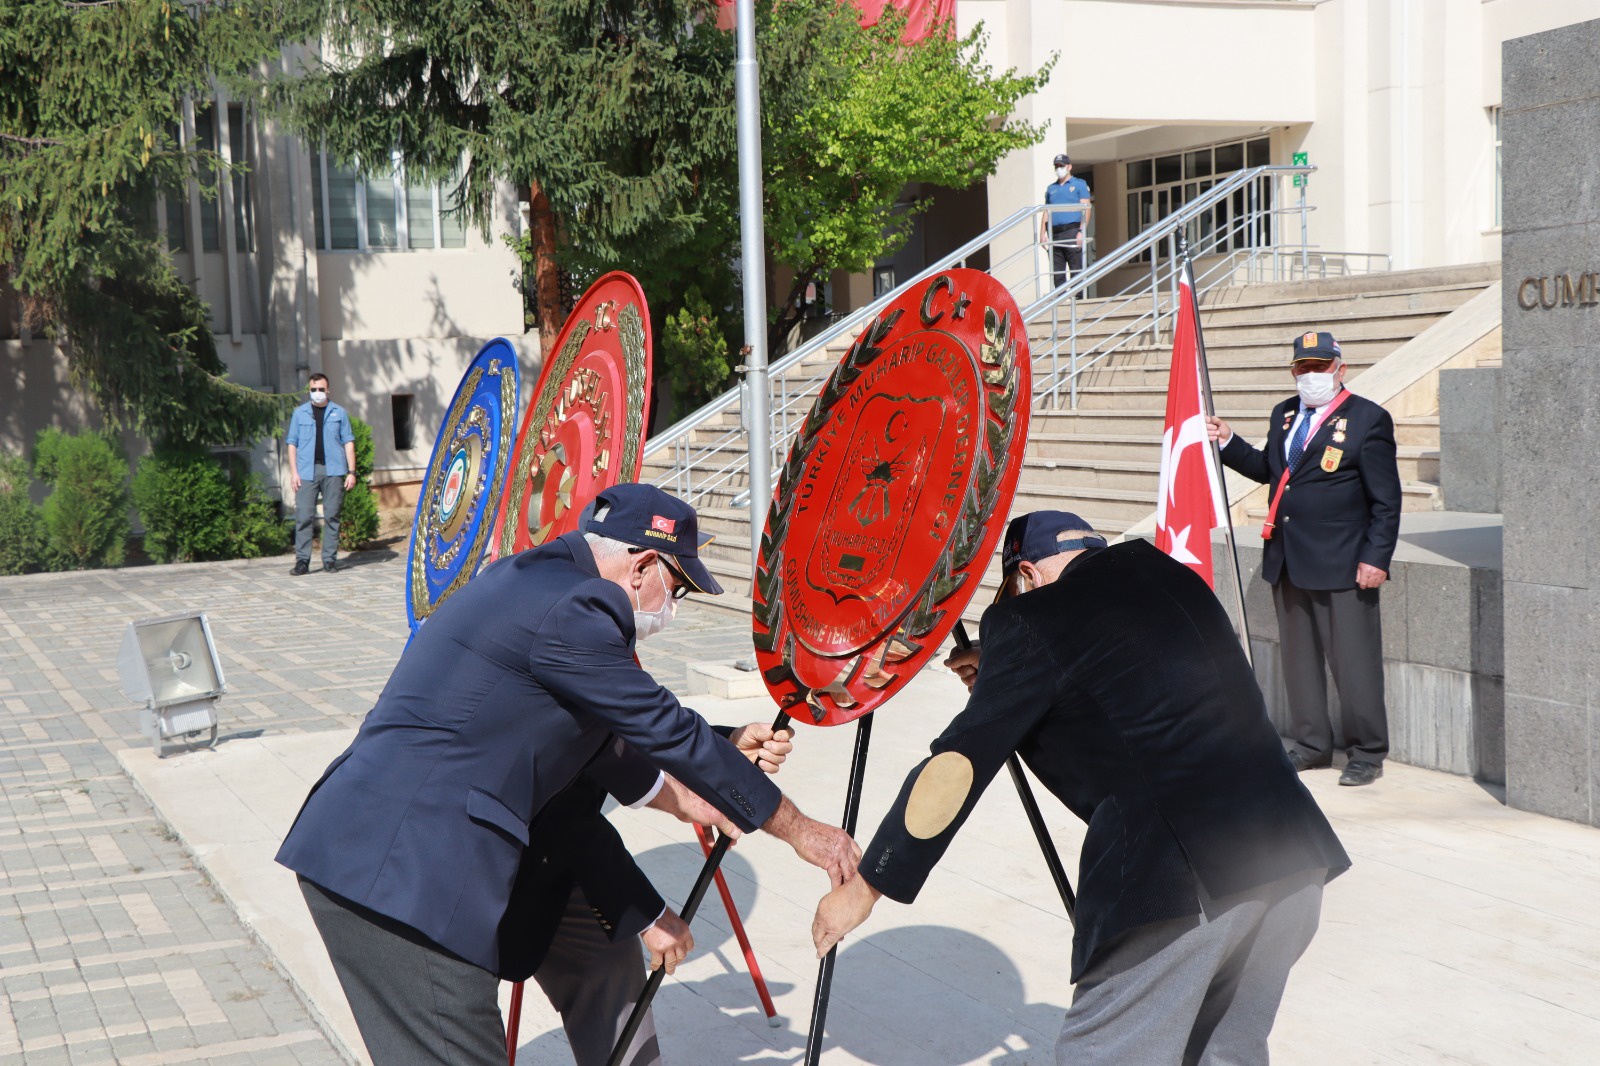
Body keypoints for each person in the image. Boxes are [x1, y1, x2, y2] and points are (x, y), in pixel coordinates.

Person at [277, 482, 860, 1065]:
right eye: (677, 588)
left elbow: (610, 726)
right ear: (644, 565)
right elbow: (660, 726)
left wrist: (727, 743)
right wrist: (800, 828)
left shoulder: (533, 580)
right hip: (405, 872)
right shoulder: (582, 605)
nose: (672, 607)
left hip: (375, 851)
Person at [811, 512, 1350, 1066]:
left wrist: (864, 888)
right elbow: (1132, 671)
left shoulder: (1028, 621)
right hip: (1293, 853)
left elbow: (957, 768)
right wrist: (1006, 673)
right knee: (1226, 1055)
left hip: (1183, 882)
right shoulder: (1168, 573)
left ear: (1025, 573)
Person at [1206, 331, 1402, 787]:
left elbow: (1386, 501)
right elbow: (1272, 472)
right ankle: (1312, 744)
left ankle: (1367, 752)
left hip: (1343, 563)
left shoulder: (1368, 419)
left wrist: (1376, 557)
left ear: (1340, 367)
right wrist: (1229, 440)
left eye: (1320, 366)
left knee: (1354, 664)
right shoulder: (1285, 414)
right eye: (1303, 368)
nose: (1312, 375)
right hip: (1289, 558)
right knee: (1300, 661)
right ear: (1294, 372)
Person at [285, 372, 356, 575]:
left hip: (333, 471)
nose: (317, 393)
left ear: (328, 390)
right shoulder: (300, 414)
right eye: (313, 390)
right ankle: (302, 561)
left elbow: (348, 442)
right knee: (304, 516)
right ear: (309, 390)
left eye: (321, 389)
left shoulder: (339, 413)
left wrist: (351, 472)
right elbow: (292, 444)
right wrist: (294, 473)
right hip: (307, 472)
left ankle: (329, 560)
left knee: (332, 515)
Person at [1041, 152, 1092, 287]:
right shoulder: (1051, 189)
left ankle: (1079, 298)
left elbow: (1086, 208)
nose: (1059, 169)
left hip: (1072, 230)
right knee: (1057, 270)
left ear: (1069, 167)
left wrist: (1082, 231)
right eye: (1056, 166)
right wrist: (1042, 234)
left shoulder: (1079, 184)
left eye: (1061, 165)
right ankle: (1060, 300)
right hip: (1055, 232)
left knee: (1076, 266)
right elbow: (1046, 211)